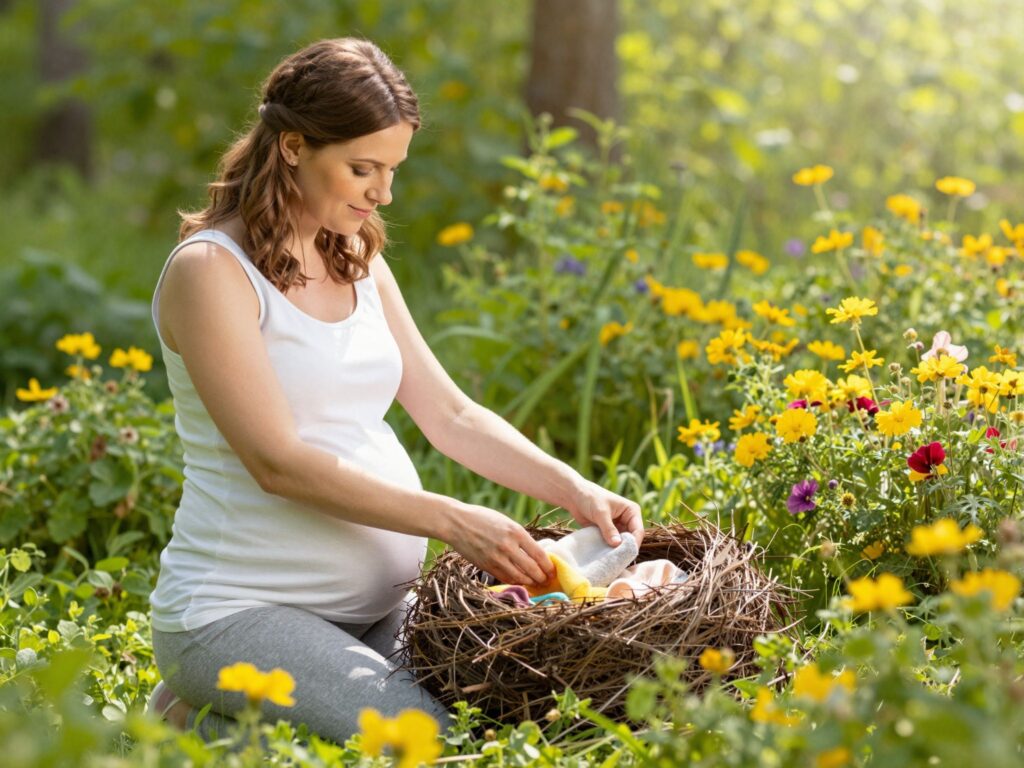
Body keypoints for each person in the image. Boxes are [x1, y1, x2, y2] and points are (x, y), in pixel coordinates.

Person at [146, 37, 644, 745]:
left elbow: (450, 413)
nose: (383, 193)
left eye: (392, 170)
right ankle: (193, 712)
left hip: (380, 611)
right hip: (237, 610)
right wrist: (451, 520)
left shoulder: (357, 258)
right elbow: (276, 463)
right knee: (437, 740)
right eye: (362, 169)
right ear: (292, 146)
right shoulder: (212, 274)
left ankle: (250, 711)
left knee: (515, 710)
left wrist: (574, 491)